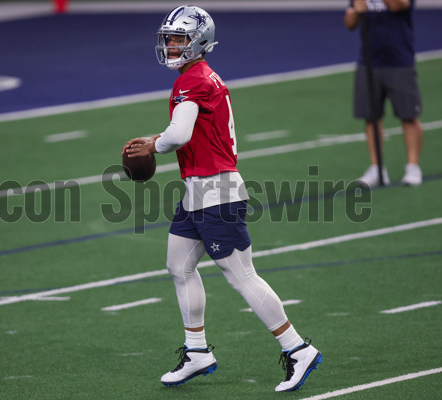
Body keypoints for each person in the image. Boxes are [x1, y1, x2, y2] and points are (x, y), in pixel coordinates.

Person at [121, 5, 321, 392]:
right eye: (169, 39)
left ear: (198, 42)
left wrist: (153, 144)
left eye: (179, 39)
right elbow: (186, 131)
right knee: (178, 266)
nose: (172, 46)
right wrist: (156, 140)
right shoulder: (196, 78)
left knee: (242, 275)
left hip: (216, 192)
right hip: (199, 191)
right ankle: (197, 351)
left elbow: (178, 136)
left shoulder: (192, 81)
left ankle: (297, 348)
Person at [345, 0, 424, 187]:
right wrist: (355, 13)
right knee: (371, 116)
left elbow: (399, 5)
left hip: (399, 61)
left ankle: (413, 166)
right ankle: (377, 167)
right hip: (369, 61)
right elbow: (350, 24)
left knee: (409, 115)